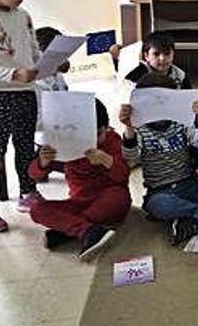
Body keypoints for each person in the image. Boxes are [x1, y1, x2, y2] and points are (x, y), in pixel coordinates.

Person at [119, 73, 198, 245]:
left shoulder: (181, 122)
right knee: (161, 206)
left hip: (189, 183)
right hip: (160, 191)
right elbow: (130, 158)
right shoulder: (140, 128)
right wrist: (129, 128)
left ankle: (191, 220)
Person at [28, 99, 130, 260]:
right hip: (79, 202)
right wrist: (42, 162)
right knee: (37, 210)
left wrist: (106, 160)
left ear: (106, 128)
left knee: (117, 199)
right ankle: (87, 230)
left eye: (98, 134)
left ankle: (67, 230)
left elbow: (123, 176)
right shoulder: (61, 143)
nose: (94, 141)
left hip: (108, 196)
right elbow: (34, 175)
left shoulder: (112, 139)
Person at [0, 0, 41, 221]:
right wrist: (14, 73)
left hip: (26, 92)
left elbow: (33, 50)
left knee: (26, 145)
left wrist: (49, 61)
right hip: (0, 95)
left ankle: (28, 191)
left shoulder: (24, 16)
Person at [124, 31, 192, 89]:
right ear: (146, 56)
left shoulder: (181, 76)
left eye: (167, 54)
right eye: (156, 54)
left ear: (173, 54)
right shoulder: (136, 71)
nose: (162, 58)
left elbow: (188, 97)